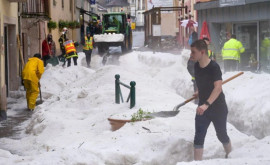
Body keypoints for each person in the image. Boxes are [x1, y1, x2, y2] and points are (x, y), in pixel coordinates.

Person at [190, 40, 231, 161]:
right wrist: (199, 91)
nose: (191, 55)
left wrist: (206, 105)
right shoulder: (196, 65)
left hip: (218, 108)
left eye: (193, 52)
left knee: (221, 135)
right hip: (203, 108)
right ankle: (197, 163)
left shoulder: (214, 67)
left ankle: (231, 156)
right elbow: (202, 82)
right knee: (199, 137)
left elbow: (218, 88)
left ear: (202, 52)